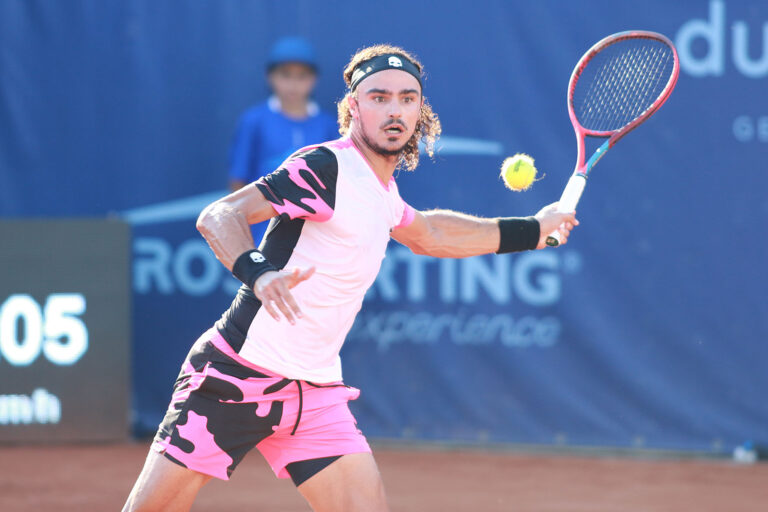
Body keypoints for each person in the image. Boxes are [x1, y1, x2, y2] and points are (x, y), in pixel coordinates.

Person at [123, 44, 578, 512]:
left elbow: (432, 233)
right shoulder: (325, 167)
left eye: (407, 98)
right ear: (353, 106)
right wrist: (259, 275)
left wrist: (535, 229)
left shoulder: (382, 190)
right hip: (236, 376)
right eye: (379, 97)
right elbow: (221, 215)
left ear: (421, 111)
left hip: (314, 392)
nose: (394, 109)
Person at [228, 36, 338, 245]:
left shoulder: (328, 125)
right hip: (262, 232)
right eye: (285, 75)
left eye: (302, 76)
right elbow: (238, 180)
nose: (293, 84)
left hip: (315, 237)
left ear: (313, 79)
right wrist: (243, 234)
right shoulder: (254, 121)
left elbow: (337, 183)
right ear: (270, 77)